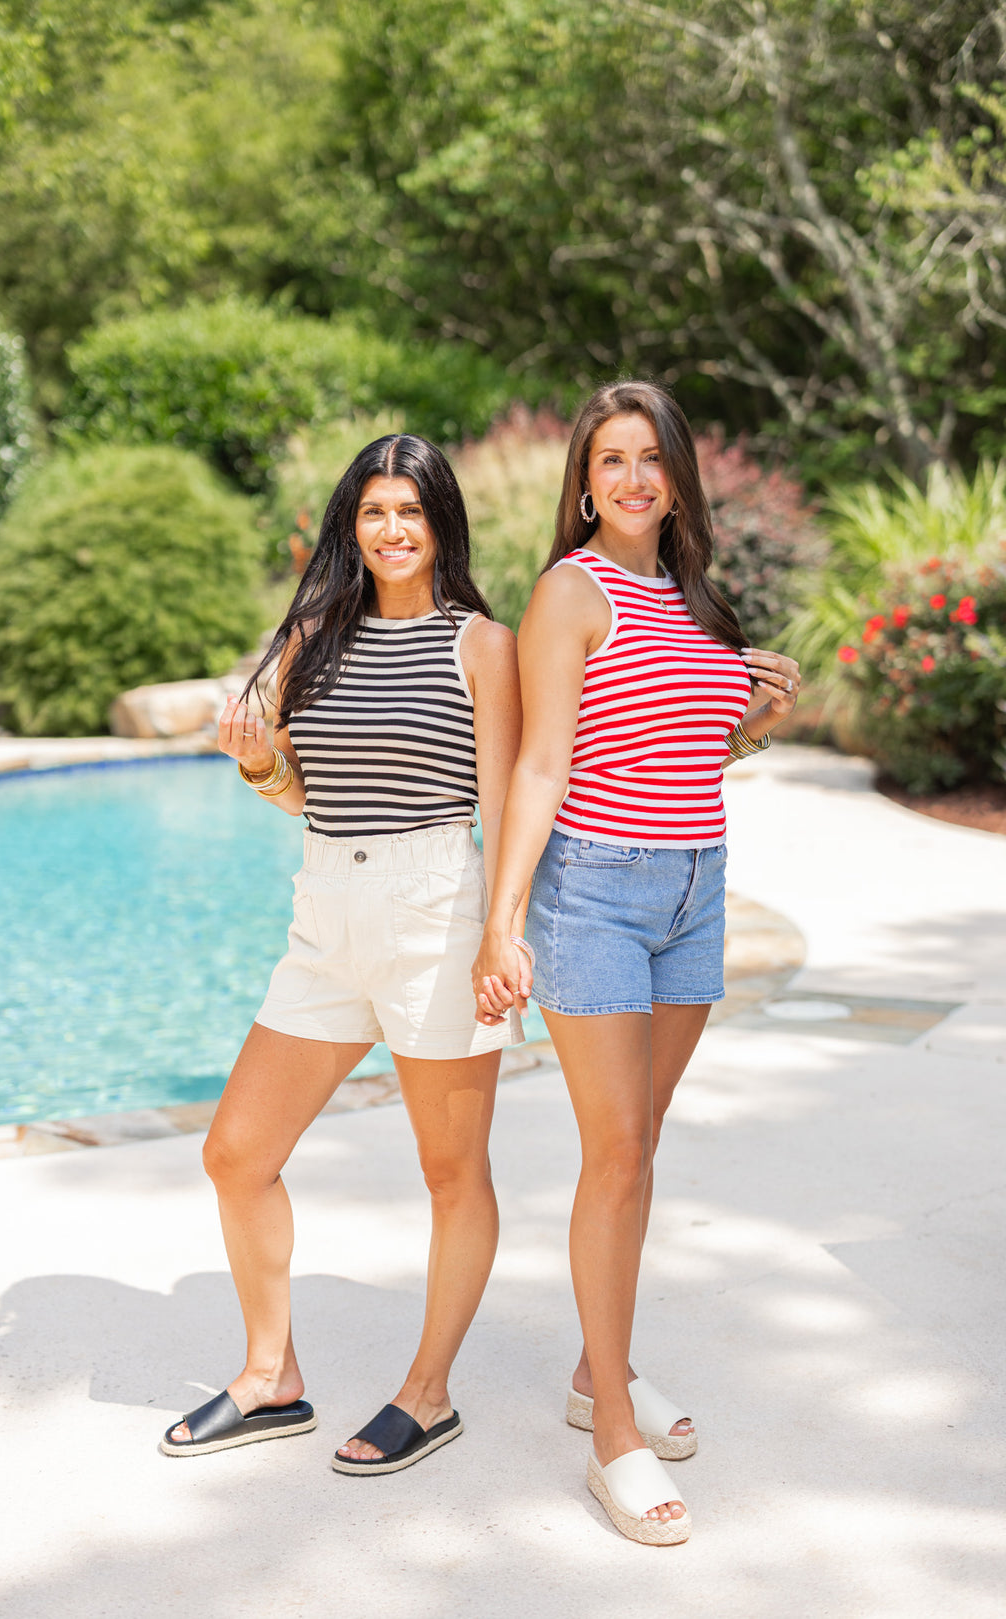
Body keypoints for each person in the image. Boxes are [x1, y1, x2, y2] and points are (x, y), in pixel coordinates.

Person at [471, 381, 800, 1544]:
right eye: (610, 458)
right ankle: (610, 1425)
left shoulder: (697, 595)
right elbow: (542, 765)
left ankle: (591, 1366)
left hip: (696, 890)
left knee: (640, 1142)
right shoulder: (571, 591)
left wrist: (756, 718)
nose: (632, 477)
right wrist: (503, 917)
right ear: (583, 480)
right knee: (613, 1155)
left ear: (677, 477)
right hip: (596, 895)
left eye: (651, 456)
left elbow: (682, 744)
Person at [161, 433, 524, 1475]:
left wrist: (502, 930)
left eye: (411, 510)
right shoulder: (314, 635)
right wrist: (257, 763)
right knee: (237, 1151)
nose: (392, 529)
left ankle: (428, 1393)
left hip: (436, 911)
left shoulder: (480, 645)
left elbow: (504, 804)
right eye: (374, 511)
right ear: (350, 524)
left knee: (451, 1172)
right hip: (325, 908)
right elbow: (298, 794)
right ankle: (271, 1375)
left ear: (440, 522)